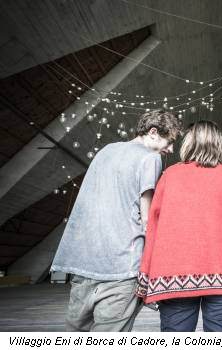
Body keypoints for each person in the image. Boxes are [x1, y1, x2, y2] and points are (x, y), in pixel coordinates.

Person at [50, 109, 183, 331]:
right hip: (121, 267)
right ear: (152, 132)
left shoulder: (105, 151)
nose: (170, 149)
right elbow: (147, 219)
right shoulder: (150, 159)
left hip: (84, 265)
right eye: (169, 141)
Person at [136, 120, 222, 332]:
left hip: (172, 279)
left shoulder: (169, 176)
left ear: (189, 143)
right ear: (219, 145)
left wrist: (145, 278)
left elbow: (153, 230)